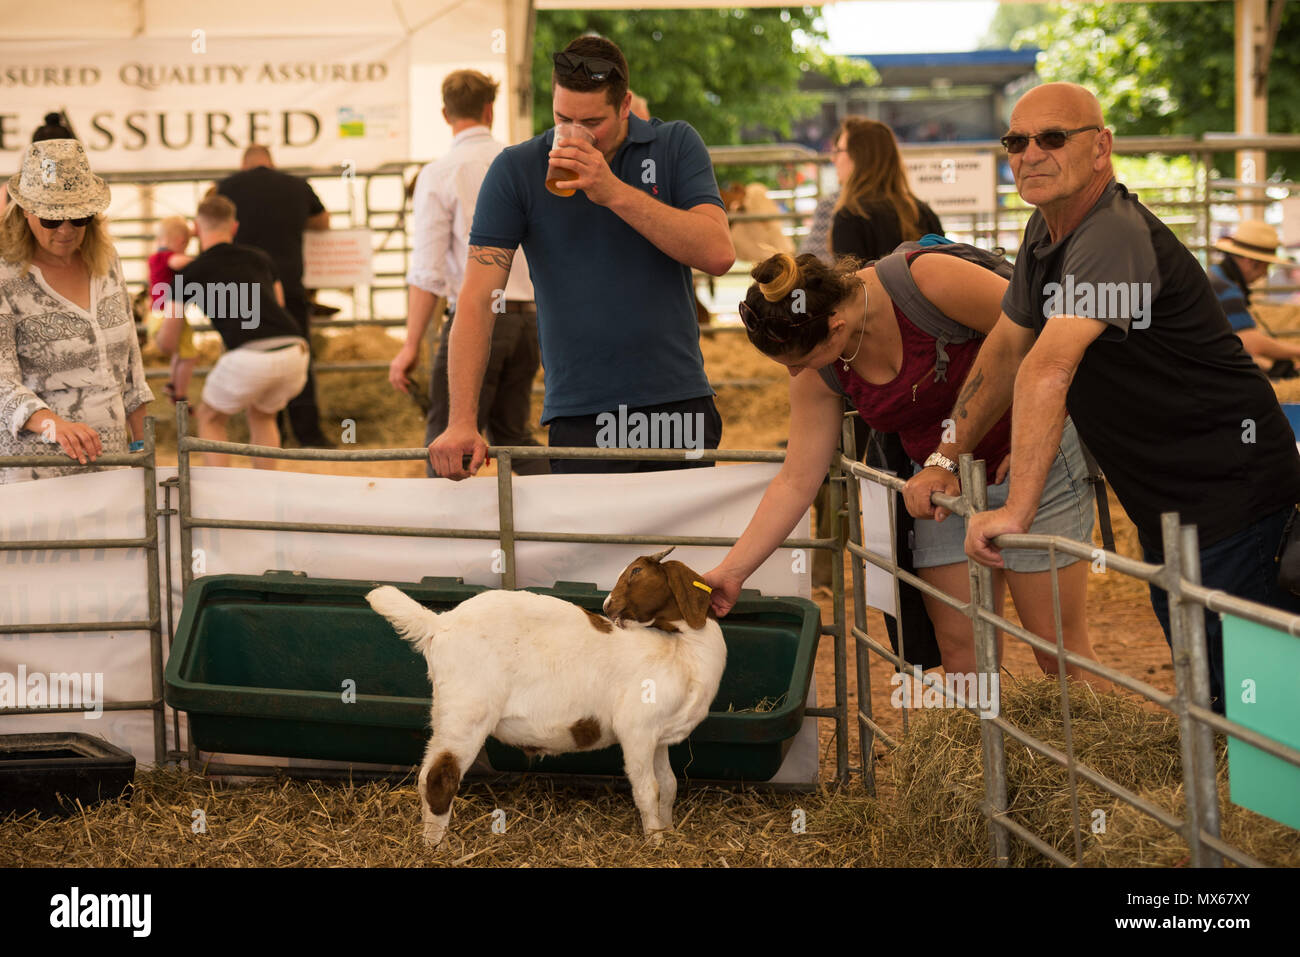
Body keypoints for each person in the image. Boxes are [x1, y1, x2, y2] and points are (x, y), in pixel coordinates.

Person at [907, 82, 1300, 713]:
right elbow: (1007, 352)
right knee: (1214, 688)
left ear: (1101, 147)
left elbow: (1047, 369)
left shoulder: (1111, 233)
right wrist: (945, 457)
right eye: (1016, 141)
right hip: (1171, 494)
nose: (1030, 153)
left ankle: (1265, 806)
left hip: (1232, 487)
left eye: (1053, 138)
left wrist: (1017, 511)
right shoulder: (1046, 232)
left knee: (1255, 699)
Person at [699, 250, 1105, 686]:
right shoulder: (820, 370)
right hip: (935, 486)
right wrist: (732, 572)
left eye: (800, 359)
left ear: (835, 327)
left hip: (1029, 463)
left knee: (1055, 645)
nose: (795, 372)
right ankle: (985, 752)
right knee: (960, 647)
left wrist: (1036, 435)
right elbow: (797, 479)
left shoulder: (927, 281)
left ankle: (1098, 754)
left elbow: (1050, 342)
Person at [427, 34, 734, 478]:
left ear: (625, 104)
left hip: (676, 400)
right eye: (562, 117)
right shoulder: (517, 169)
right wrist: (461, 421)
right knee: (592, 547)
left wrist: (612, 192)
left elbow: (718, 253)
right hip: (581, 410)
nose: (575, 133)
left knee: (682, 547)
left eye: (592, 121)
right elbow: (475, 298)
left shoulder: (674, 144)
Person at [389, 69, 546, 477]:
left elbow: (428, 271)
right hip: (529, 318)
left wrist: (409, 346)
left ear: (445, 114)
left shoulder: (439, 173)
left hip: (476, 318)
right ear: (490, 109)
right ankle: (567, 513)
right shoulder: (521, 164)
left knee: (446, 440)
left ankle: (444, 536)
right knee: (515, 436)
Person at [0, 138, 153, 483]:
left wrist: (143, 444)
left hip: (111, 461)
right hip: (37, 469)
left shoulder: (107, 261)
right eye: (52, 220)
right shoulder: (4, 276)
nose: (67, 230)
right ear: (26, 211)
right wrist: (54, 424)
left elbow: (130, 364)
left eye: (79, 217)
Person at [157, 194, 309, 469]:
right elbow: (280, 306)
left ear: (196, 228)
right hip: (294, 350)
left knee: (210, 417)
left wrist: (155, 337)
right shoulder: (261, 259)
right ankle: (266, 490)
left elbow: (168, 340)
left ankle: (221, 493)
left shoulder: (191, 272)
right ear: (234, 227)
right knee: (263, 416)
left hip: (250, 355)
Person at [216, 145, 330, 447]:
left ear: (244, 165)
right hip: (289, 284)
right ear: (272, 162)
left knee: (250, 355)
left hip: (242, 288)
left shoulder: (226, 187)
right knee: (299, 355)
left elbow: (212, 224)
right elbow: (323, 222)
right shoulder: (297, 186)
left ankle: (267, 431)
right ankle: (309, 435)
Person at [830, 118, 943, 263]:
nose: (833, 159)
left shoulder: (850, 217)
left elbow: (849, 282)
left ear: (859, 156)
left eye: (839, 151)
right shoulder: (924, 213)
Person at [1208, 220, 1297, 377]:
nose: (1265, 274)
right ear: (1250, 262)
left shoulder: (1215, 276)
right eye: (1266, 266)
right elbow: (1252, 343)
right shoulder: (1224, 289)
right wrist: (1296, 351)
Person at [146, 216, 197, 403]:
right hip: (169, 314)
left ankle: (172, 384)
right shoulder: (168, 257)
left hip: (156, 314)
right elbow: (178, 262)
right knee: (190, 356)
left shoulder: (154, 258)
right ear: (180, 241)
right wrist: (201, 262)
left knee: (181, 353)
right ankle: (181, 395)